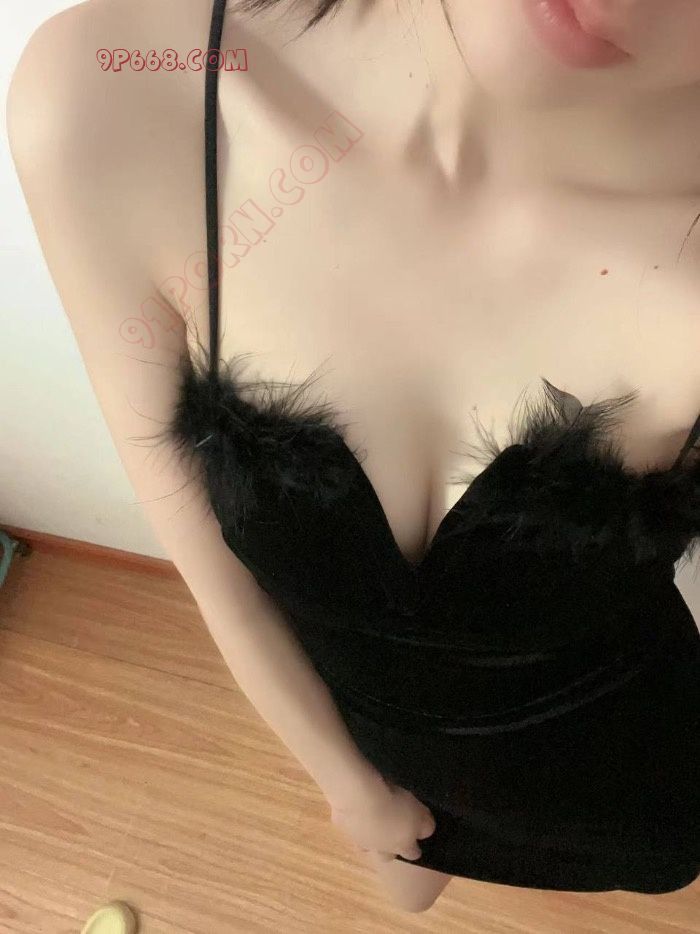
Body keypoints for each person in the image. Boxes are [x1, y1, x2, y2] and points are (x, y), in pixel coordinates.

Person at [8, 0, 700, 913]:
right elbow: (216, 575)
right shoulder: (113, 98)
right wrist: (344, 782)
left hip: (633, 776)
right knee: (408, 892)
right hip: (382, 772)